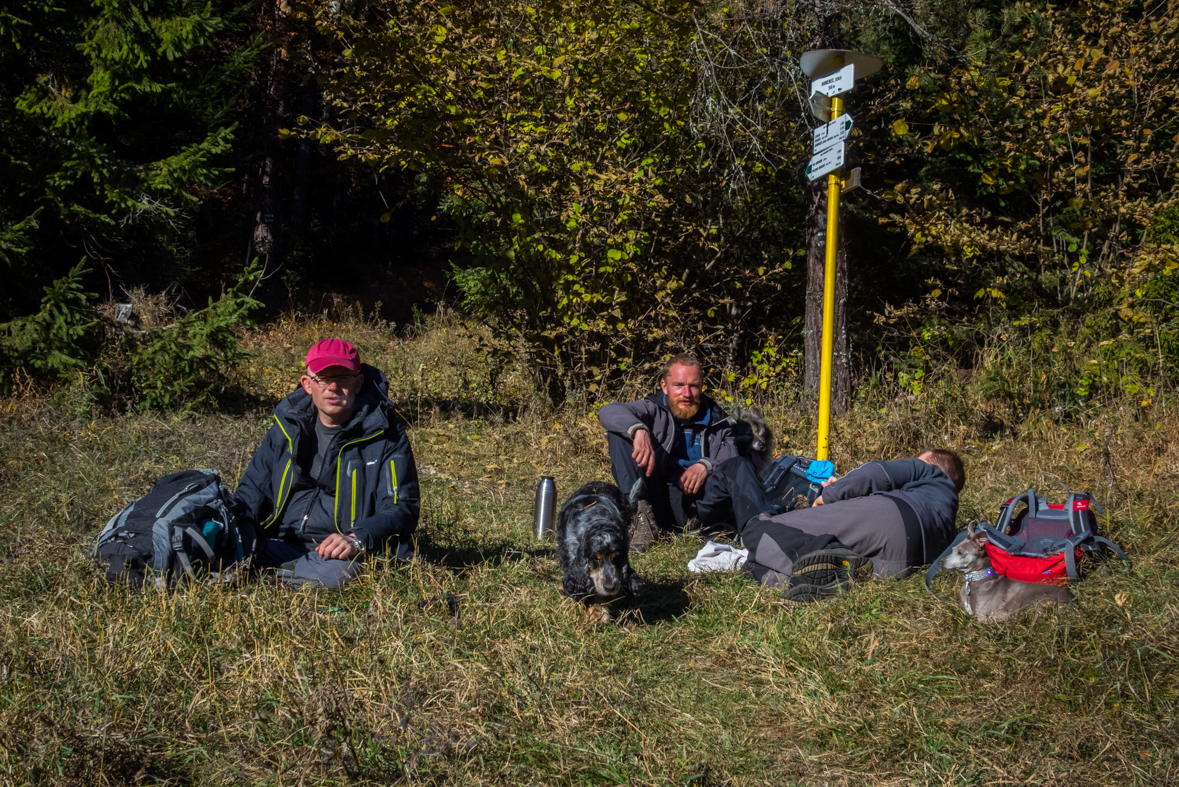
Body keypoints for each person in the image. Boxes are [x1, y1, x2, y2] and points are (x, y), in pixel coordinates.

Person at [234, 338, 420, 588]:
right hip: (278, 542)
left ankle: (258, 574)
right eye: (324, 378)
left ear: (358, 383)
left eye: (343, 378)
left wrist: (356, 538)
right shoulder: (286, 428)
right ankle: (269, 571)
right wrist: (230, 528)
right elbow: (252, 490)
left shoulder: (385, 436)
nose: (333, 387)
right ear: (308, 384)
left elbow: (401, 507)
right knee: (215, 547)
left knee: (339, 574)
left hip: (339, 555)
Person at [702, 449, 965, 603]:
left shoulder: (930, 471)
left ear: (931, 464)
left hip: (891, 516)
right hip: (902, 563)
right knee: (777, 565)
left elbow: (877, 472)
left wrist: (828, 497)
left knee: (759, 531)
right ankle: (822, 574)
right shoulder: (947, 517)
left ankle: (710, 529)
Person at [597, 355, 743, 551]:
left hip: (697, 501)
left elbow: (734, 460)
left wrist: (705, 465)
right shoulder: (652, 409)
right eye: (678, 385)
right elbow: (608, 411)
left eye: (693, 385)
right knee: (618, 433)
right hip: (655, 493)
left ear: (701, 387)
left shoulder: (719, 421)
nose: (687, 393)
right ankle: (640, 518)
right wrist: (638, 430)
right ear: (664, 386)